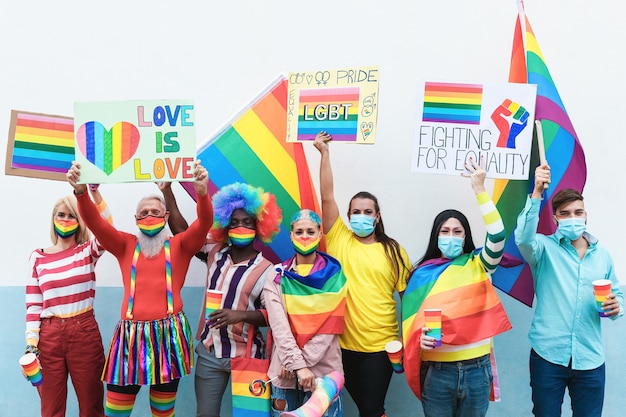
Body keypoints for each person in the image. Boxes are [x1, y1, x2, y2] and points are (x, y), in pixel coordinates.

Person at [66, 161, 212, 417]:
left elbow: (204, 223)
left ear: (166, 217)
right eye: (143, 213)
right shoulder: (125, 244)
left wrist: (202, 193)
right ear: (135, 219)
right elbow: (94, 223)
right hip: (129, 340)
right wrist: (80, 193)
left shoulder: (181, 245)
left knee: (163, 412)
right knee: (115, 411)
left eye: (155, 212)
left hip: (169, 337)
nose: (149, 216)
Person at [401, 156, 512, 417]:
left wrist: (479, 189)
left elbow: (497, 235)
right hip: (438, 375)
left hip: (477, 371)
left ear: (466, 237)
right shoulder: (420, 275)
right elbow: (411, 327)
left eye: (457, 231)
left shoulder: (480, 264)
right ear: (436, 236)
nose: (451, 236)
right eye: (445, 231)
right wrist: (421, 339)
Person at [159, 181, 282, 417]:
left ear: (258, 226)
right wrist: (166, 191)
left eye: (247, 222)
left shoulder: (268, 270)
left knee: (251, 415)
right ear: (225, 224)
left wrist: (241, 315)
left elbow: (274, 316)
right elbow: (184, 234)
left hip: (247, 355)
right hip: (209, 352)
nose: (240, 227)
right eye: (234, 222)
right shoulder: (214, 251)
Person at [313, 131, 411, 417]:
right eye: (355, 211)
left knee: (370, 408)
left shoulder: (394, 250)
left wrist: (408, 341)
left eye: (367, 211)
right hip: (340, 346)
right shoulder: (339, 237)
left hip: (381, 348)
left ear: (377, 216)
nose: (361, 216)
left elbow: (409, 299)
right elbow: (327, 196)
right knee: (349, 407)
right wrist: (324, 154)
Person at [515, 163, 623, 417]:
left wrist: (617, 306)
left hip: (590, 358)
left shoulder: (603, 256)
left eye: (578, 212)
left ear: (586, 215)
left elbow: (617, 297)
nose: (573, 218)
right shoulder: (542, 249)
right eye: (565, 213)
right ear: (555, 218)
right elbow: (523, 238)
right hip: (548, 356)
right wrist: (536, 195)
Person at [25, 185, 112, 417]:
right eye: (61, 214)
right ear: (53, 219)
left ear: (80, 220)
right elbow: (34, 305)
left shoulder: (88, 251)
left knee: (91, 406)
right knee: (51, 408)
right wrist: (31, 346)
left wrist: (93, 192)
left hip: (83, 331)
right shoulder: (38, 257)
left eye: (71, 215)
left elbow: (108, 228)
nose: (65, 219)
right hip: (48, 337)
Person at [264, 209, 347, 417]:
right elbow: (279, 326)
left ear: (320, 234)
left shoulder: (335, 277)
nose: (304, 237)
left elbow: (329, 329)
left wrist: (295, 365)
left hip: (323, 374)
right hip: (284, 374)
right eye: (299, 232)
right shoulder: (277, 276)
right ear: (291, 235)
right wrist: (295, 365)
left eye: (310, 231)